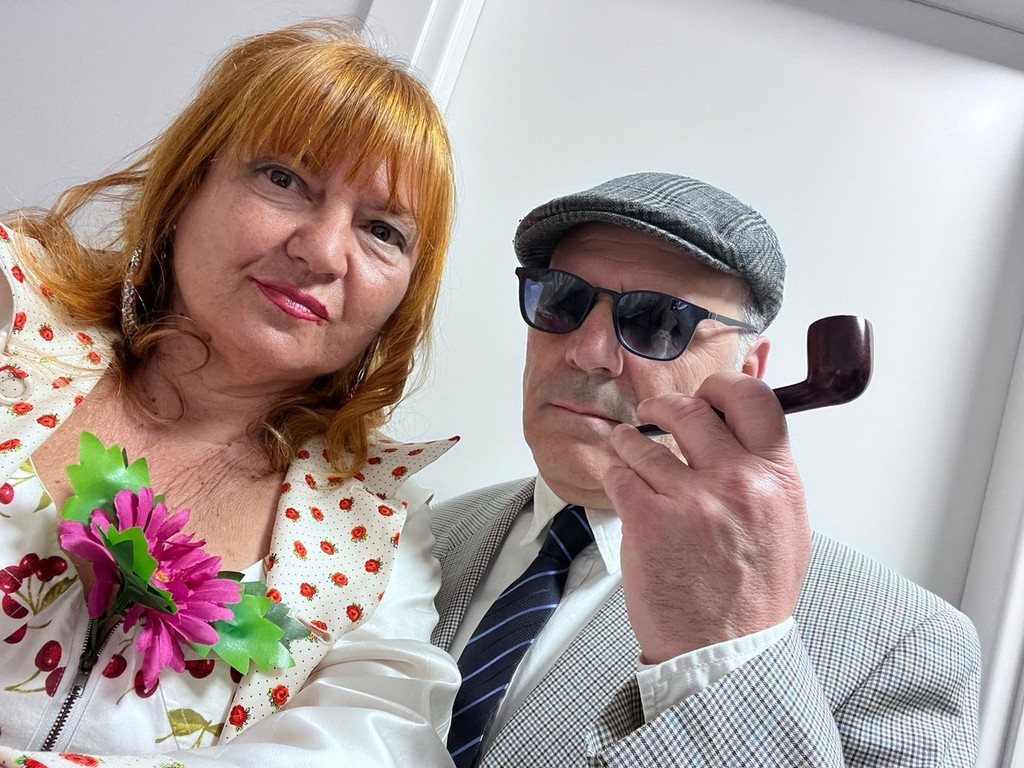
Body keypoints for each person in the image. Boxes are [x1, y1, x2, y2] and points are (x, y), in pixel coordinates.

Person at [0, 20, 462, 767]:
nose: (323, 251)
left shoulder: (375, 535)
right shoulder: (11, 325)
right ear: (187, 184)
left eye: (382, 230)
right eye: (284, 179)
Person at [431, 172, 981, 766]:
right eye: (563, 301)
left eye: (657, 322)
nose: (588, 353)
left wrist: (724, 648)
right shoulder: (421, 532)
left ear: (747, 374)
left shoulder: (908, 643)